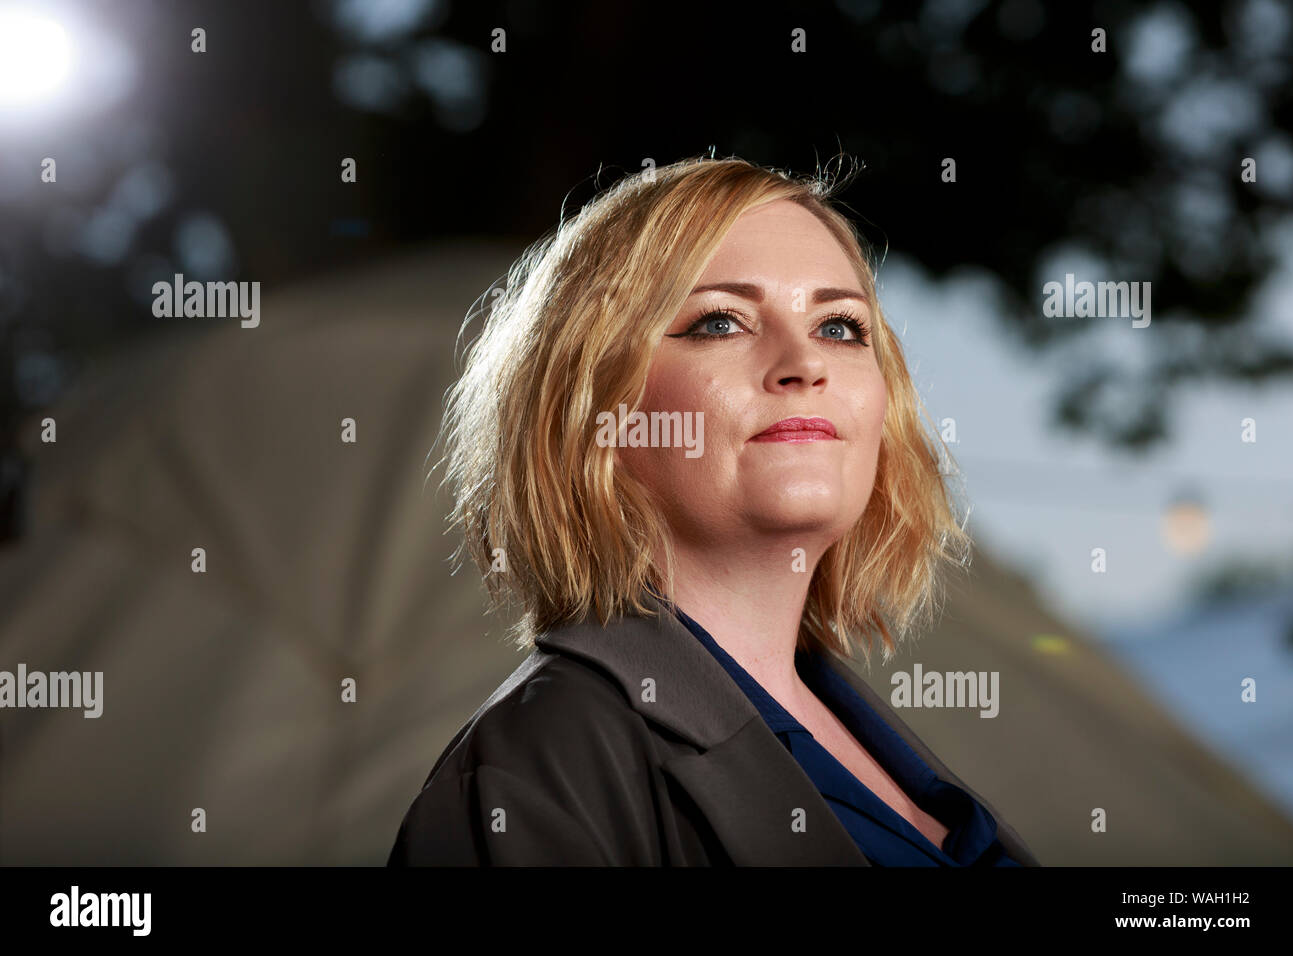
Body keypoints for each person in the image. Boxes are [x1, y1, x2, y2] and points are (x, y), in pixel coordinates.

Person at [387, 154, 1039, 866]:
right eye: (722, 321)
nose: (806, 363)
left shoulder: (865, 735)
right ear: (594, 406)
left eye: (841, 327)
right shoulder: (539, 766)